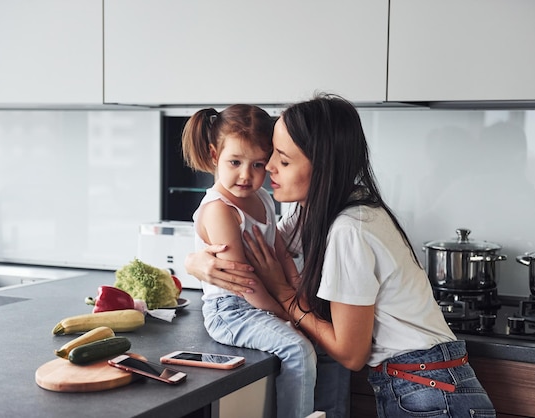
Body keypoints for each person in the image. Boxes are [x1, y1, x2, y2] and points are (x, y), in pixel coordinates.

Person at [186, 94, 496, 417]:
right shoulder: (327, 210)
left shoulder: (350, 229)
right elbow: (258, 240)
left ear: (321, 167)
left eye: (282, 160)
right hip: (431, 386)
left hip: (430, 393)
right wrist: (195, 262)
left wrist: (284, 294)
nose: (269, 169)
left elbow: (350, 353)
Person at [181, 104, 317, 418]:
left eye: (257, 164)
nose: (246, 175)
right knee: (298, 349)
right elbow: (243, 283)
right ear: (214, 156)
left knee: (321, 343)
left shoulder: (265, 199)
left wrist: (298, 296)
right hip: (232, 311)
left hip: (265, 300)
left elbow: (280, 251)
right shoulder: (219, 210)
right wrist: (289, 313)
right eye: (235, 162)